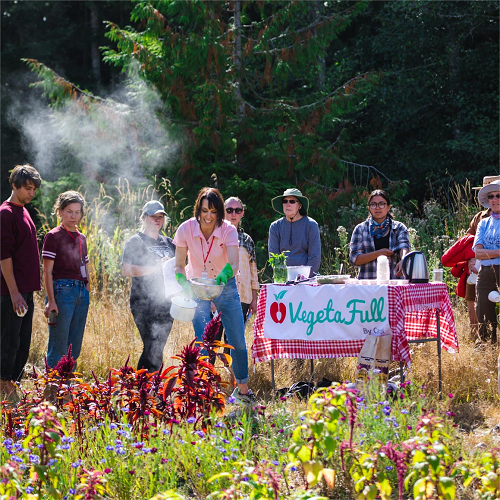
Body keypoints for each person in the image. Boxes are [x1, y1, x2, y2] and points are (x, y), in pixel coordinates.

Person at [173, 187, 255, 405]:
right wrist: (184, 284)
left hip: (224, 286)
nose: (208, 216)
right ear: (197, 210)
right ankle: (203, 390)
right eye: (204, 211)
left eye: (213, 211)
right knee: (203, 341)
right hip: (198, 287)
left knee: (237, 339)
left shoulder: (228, 230)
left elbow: (235, 263)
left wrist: (223, 276)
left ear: (219, 213)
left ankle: (244, 391)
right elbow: (179, 266)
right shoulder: (185, 229)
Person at [0, 164, 42, 400]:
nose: (31, 193)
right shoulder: (5, 213)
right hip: (10, 293)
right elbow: (3, 256)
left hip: (25, 291)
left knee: (23, 343)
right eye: (27, 188)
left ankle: (12, 387)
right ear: (14, 185)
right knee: (9, 342)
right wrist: (14, 292)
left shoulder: (23, 210)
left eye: (34, 189)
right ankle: (4, 391)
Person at [122, 200, 176, 372]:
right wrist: (156, 268)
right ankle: (142, 387)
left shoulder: (169, 243)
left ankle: (152, 388)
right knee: (152, 344)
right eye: (154, 216)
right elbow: (126, 269)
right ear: (144, 217)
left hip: (166, 303)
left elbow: (178, 269)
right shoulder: (135, 242)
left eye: (161, 217)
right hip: (143, 303)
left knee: (158, 346)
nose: (158, 220)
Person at [42, 191, 90, 369]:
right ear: (60, 211)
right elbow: (47, 272)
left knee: (74, 347)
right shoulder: (53, 236)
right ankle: (53, 391)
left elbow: (84, 268)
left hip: (80, 292)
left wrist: (87, 291)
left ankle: (67, 391)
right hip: (62, 291)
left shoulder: (81, 238)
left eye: (77, 212)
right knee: (59, 345)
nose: (73, 216)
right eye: (69, 211)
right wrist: (51, 301)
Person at [349, 189, 410, 279]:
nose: (377, 208)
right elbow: (355, 259)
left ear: (388, 207)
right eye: (373, 204)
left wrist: (404, 260)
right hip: (368, 284)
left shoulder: (399, 227)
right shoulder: (361, 229)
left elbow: (404, 246)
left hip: (394, 284)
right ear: (369, 208)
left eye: (381, 204)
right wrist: (379, 254)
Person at [465, 176, 499, 336]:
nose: (494, 199)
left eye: (498, 195)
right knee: (483, 310)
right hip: (484, 271)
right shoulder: (483, 222)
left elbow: (481, 252)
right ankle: (485, 342)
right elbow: (476, 251)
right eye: (491, 196)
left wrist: (487, 253)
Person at [268, 188, 321, 276]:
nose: (288, 204)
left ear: (300, 206)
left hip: (307, 278)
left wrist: (303, 278)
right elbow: (274, 257)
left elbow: (314, 258)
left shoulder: (311, 225)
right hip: (282, 277)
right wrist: (283, 277)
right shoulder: (275, 227)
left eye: (292, 201)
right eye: (285, 201)